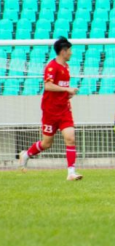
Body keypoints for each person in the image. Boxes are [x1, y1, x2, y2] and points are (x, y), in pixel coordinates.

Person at [16, 37, 82, 181]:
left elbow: (61, 87)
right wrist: (67, 89)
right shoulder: (51, 67)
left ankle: (71, 172)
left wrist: (67, 94)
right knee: (47, 143)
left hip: (64, 110)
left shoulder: (66, 67)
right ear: (63, 51)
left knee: (70, 138)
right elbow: (48, 86)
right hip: (50, 111)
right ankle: (26, 155)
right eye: (69, 50)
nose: (71, 53)